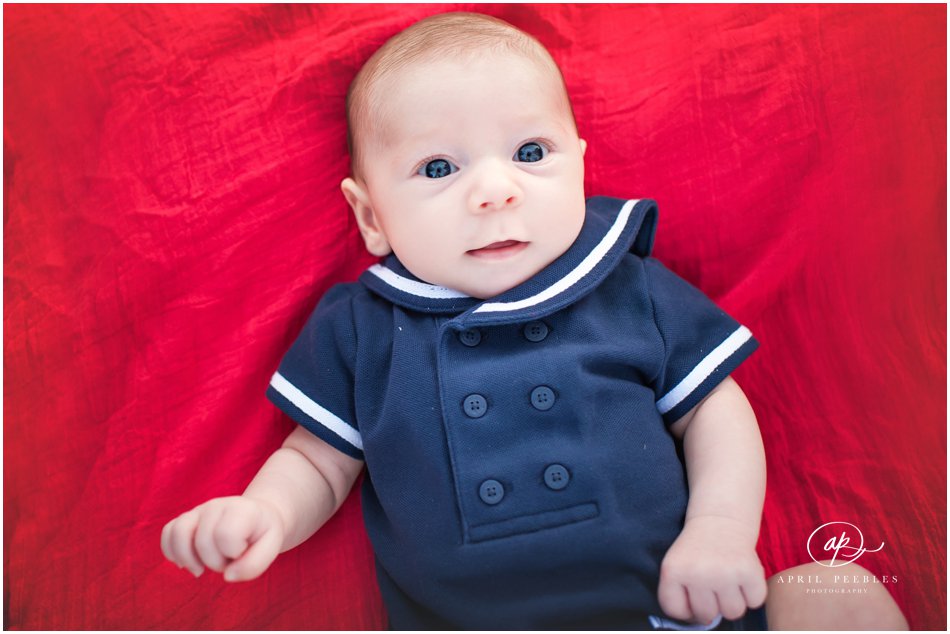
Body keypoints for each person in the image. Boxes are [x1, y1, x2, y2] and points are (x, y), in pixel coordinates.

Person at [161, 12, 908, 630]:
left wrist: (718, 535)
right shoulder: (361, 328)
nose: (495, 190)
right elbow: (320, 461)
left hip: (679, 608)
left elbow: (715, 412)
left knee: (837, 594)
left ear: (580, 166)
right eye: (438, 168)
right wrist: (263, 511)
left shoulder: (628, 287)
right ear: (370, 216)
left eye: (530, 152)